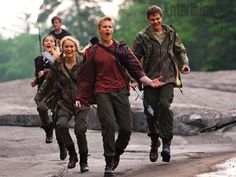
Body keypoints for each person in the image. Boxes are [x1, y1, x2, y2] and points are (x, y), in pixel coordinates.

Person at [75, 16, 165, 176]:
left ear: (113, 29)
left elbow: (136, 69)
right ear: (99, 30)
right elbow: (85, 77)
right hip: (102, 92)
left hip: (120, 91)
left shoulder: (121, 48)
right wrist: (80, 97)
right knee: (108, 124)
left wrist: (149, 82)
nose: (107, 29)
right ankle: (109, 163)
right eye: (104, 27)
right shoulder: (92, 52)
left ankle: (117, 152)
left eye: (110, 26)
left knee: (126, 129)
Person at [132, 5, 190, 163]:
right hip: (150, 80)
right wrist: (133, 79)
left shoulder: (171, 33)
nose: (156, 21)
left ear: (161, 17)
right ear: (148, 20)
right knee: (150, 111)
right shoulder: (142, 36)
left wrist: (184, 64)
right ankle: (154, 141)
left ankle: (166, 143)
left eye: (158, 18)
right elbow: (134, 60)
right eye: (152, 19)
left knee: (164, 105)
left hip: (168, 78)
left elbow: (180, 50)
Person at [34, 36, 90, 173]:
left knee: (80, 130)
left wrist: (87, 97)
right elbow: (48, 82)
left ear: (76, 48)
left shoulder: (83, 62)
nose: (69, 49)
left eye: (72, 46)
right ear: (62, 48)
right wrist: (39, 96)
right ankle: (72, 154)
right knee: (60, 125)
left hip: (81, 101)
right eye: (66, 47)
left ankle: (84, 160)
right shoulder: (58, 64)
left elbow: (90, 81)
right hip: (64, 102)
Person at [32, 34, 67, 161]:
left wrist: (45, 72)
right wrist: (35, 79)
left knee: (59, 122)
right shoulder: (38, 59)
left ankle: (62, 146)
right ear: (43, 45)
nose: (48, 42)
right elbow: (38, 74)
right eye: (46, 41)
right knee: (41, 107)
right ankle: (47, 127)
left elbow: (61, 71)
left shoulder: (59, 57)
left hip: (57, 90)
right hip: (44, 89)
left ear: (55, 44)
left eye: (51, 41)